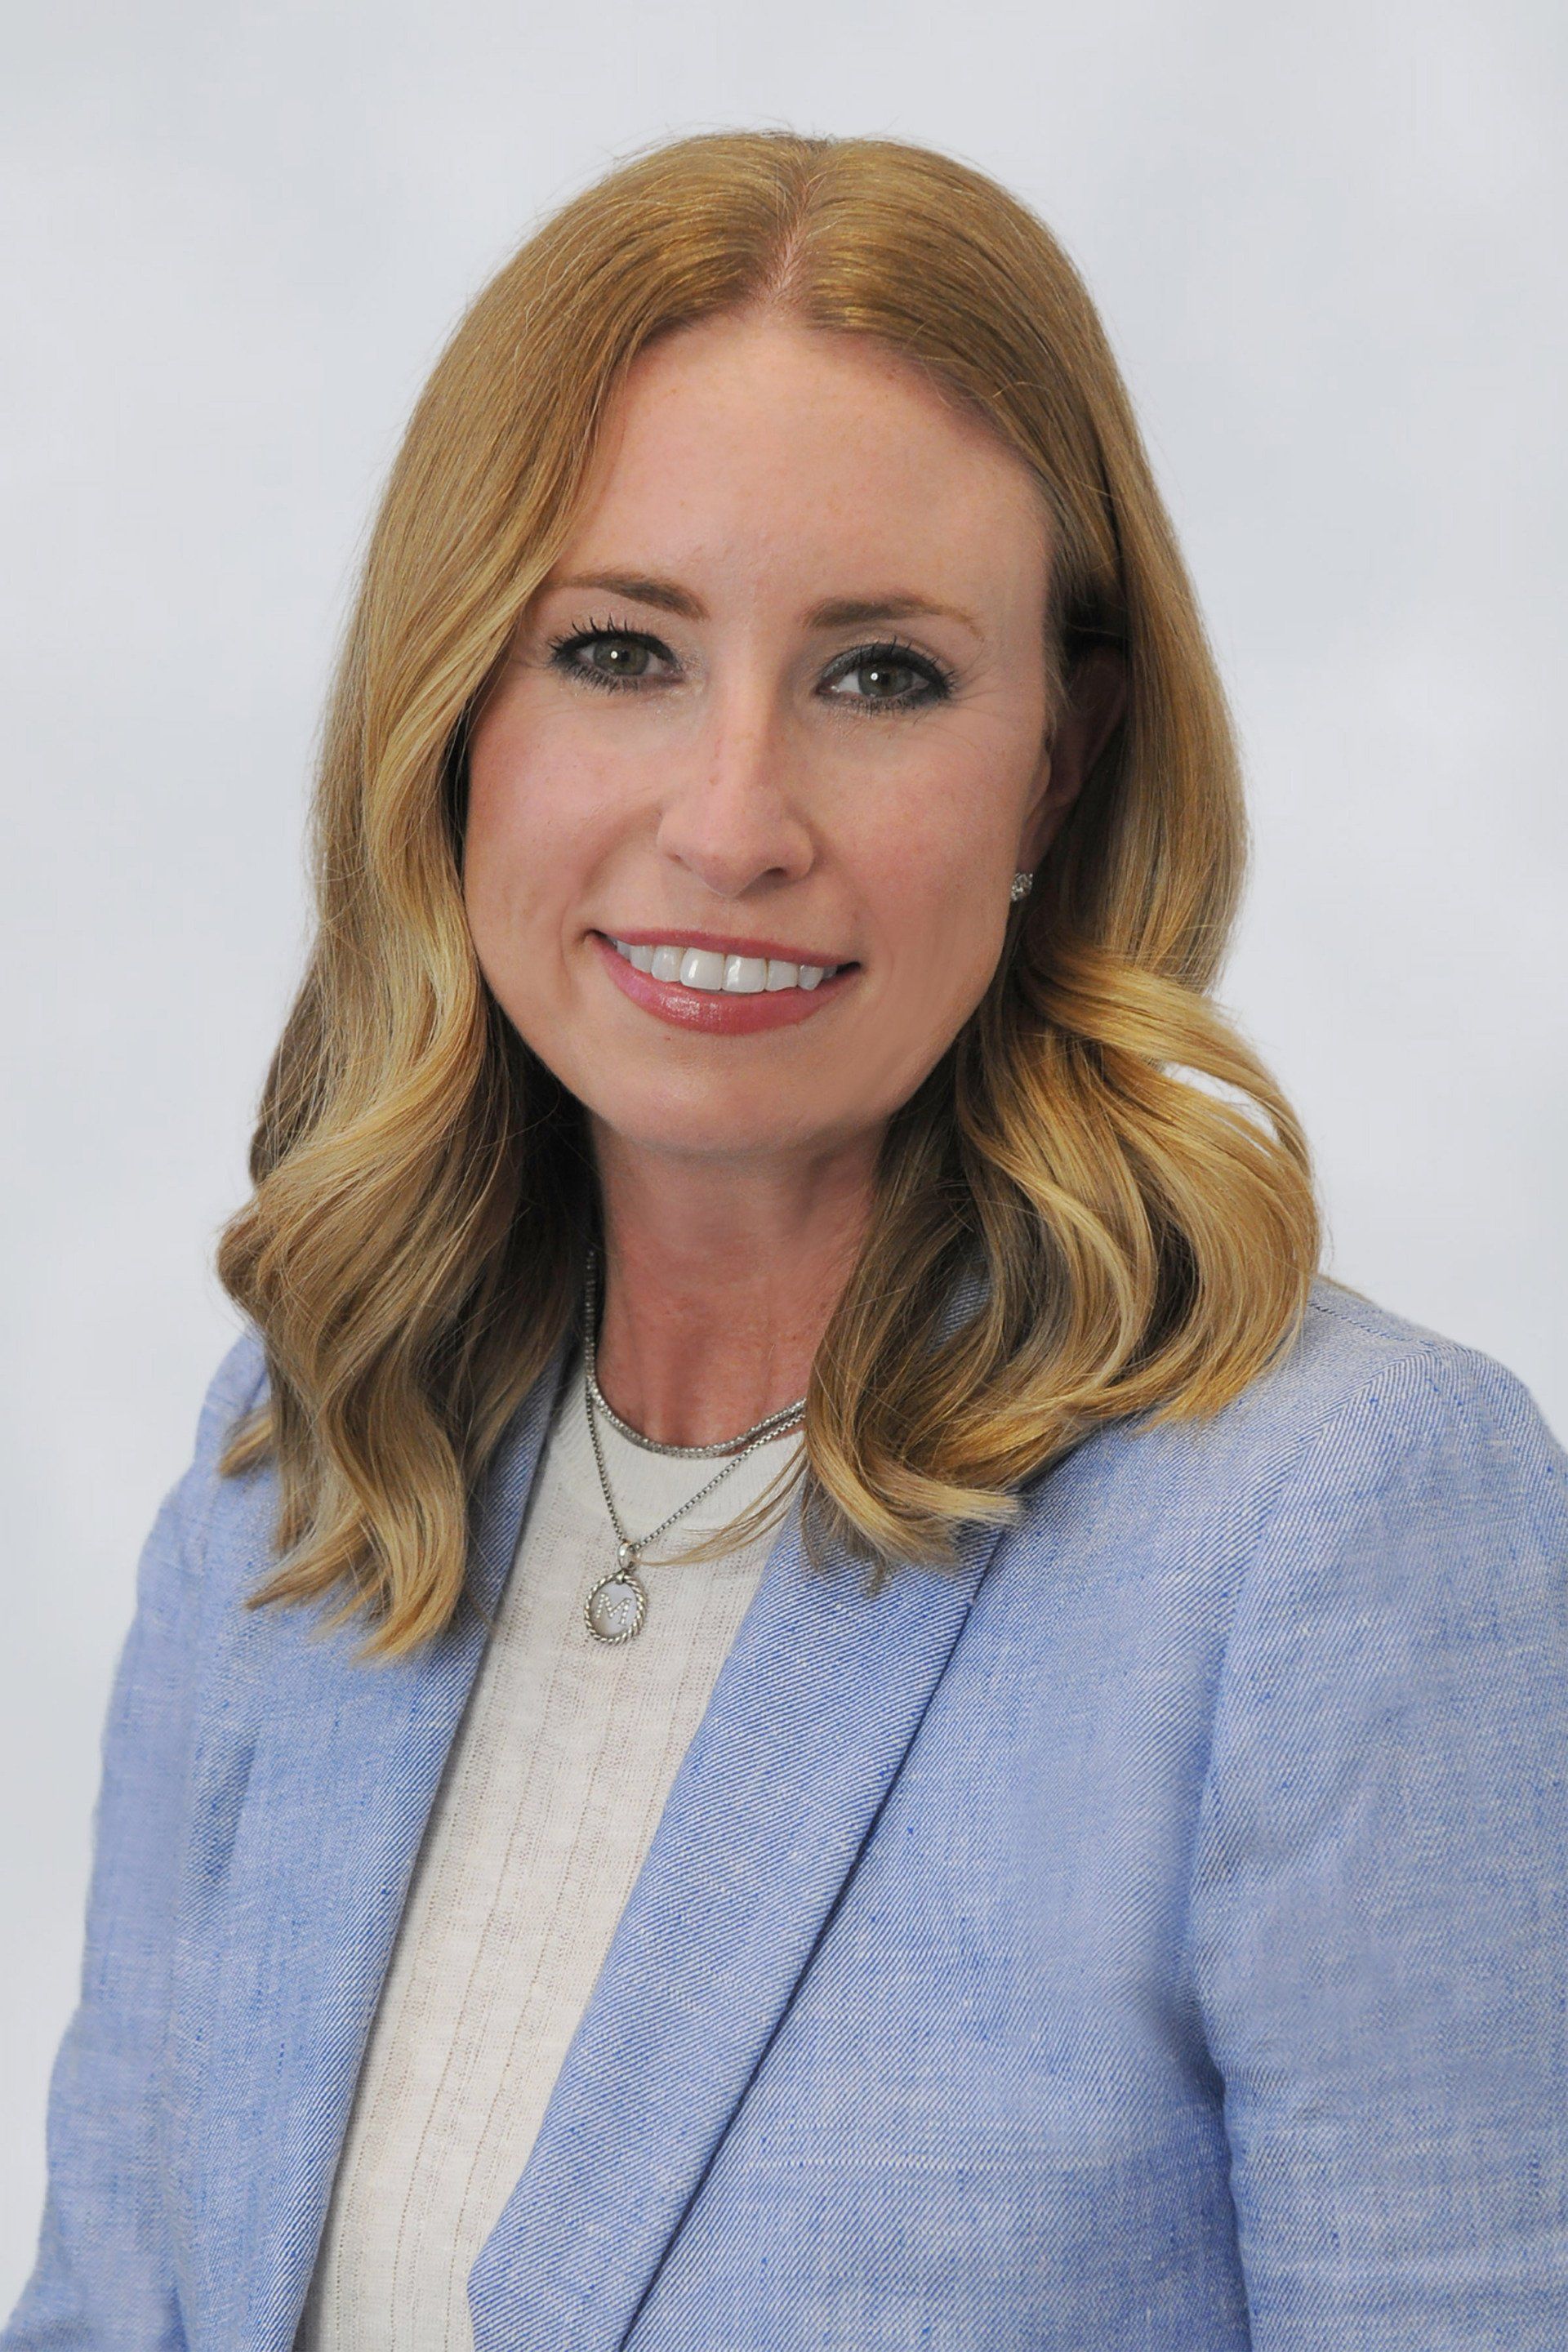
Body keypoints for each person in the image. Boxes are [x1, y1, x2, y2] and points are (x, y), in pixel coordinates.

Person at [7, 127, 1566, 2352]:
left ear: (1061, 755)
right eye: (621, 649)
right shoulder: (308, 1457)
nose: (732, 820)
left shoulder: (1341, 1532)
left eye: (881, 678)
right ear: (453, 721)